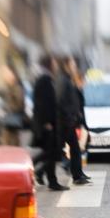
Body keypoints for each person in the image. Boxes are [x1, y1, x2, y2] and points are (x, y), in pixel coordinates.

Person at [32, 55, 69, 191]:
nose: (55, 64)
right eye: (53, 62)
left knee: (50, 153)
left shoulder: (45, 78)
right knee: (50, 152)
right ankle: (37, 170)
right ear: (49, 64)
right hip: (47, 123)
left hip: (48, 123)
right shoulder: (45, 79)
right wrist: (47, 122)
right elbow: (43, 103)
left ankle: (45, 176)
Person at [56, 56, 90, 185]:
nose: (74, 66)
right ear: (66, 65)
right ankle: (41, 171)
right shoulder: (63, 80)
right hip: (65, 122)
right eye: (73, 64)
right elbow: (62, 101)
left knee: (75, 149)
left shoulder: (66, 79)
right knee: (56, 151)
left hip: (68, 121)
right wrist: (70, 116)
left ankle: (78, 174)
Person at [0, 64, 25, 146]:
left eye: (6, 72)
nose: (4, 75)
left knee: (12, 146)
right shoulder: (9, 87)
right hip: (9, 123)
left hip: (12, 123)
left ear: (12, 73)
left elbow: (19, 105)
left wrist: (6, 108)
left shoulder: (17, 87)